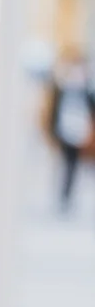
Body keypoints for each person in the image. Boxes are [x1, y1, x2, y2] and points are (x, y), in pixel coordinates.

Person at [46, 47, 95, 212]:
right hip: (65, 131)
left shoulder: (86, 91)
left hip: (79, 132)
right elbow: (55, 111)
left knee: (72, 165)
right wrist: (54, 131)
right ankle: (63, 194)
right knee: (65, 163)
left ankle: (67, 195)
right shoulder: (63, 89)